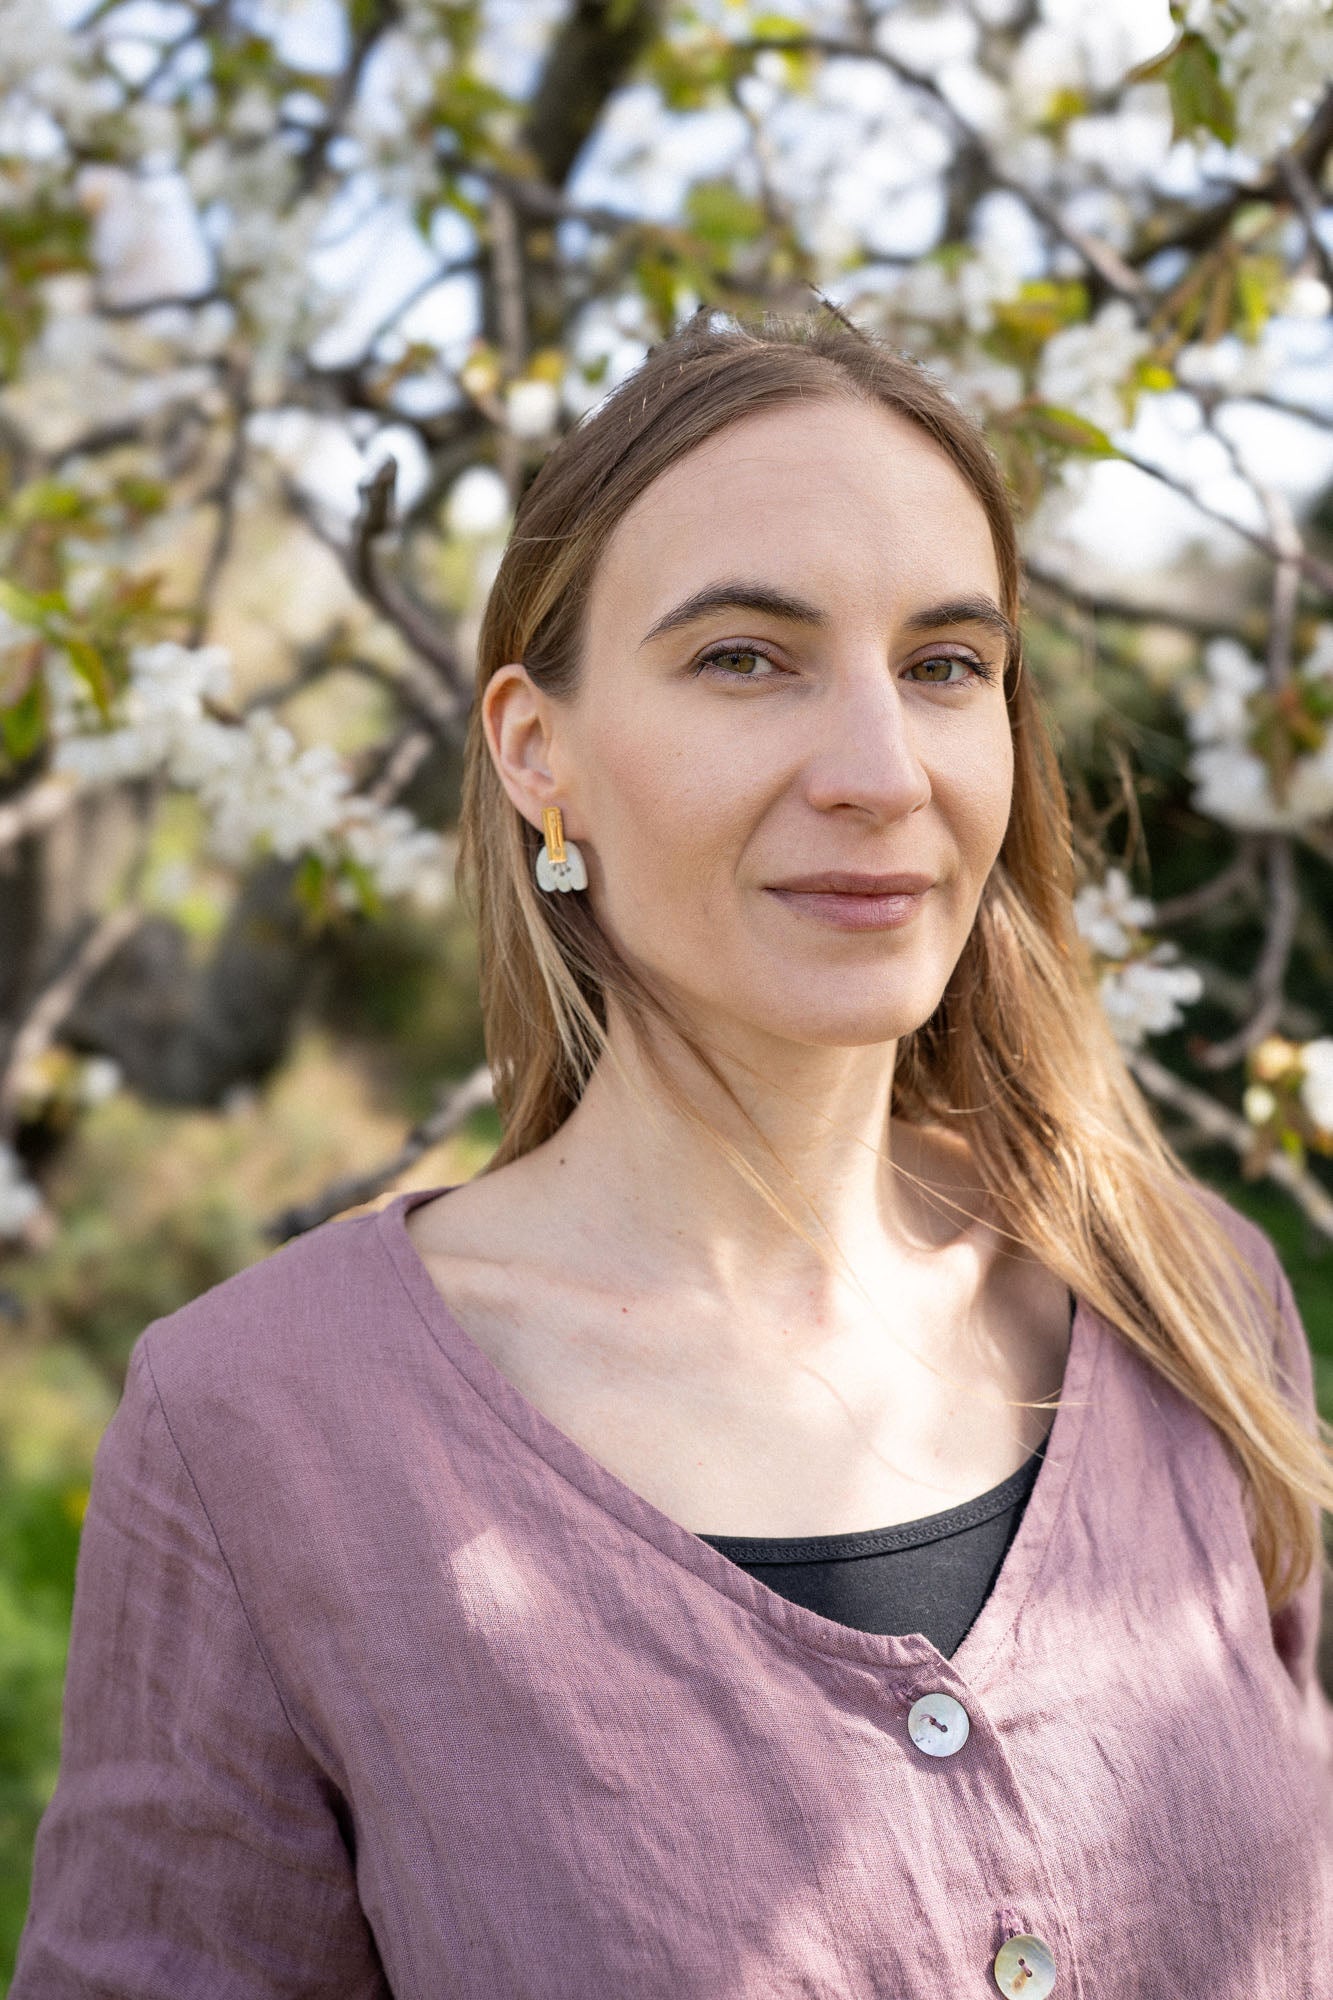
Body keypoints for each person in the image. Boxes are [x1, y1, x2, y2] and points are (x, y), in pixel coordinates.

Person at [12, 309, 1333, 1999]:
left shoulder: (1189, 1299)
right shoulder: (262, 1429)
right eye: (743, 658)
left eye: (944, 666)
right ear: (534, 756)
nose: (881, 773)